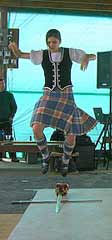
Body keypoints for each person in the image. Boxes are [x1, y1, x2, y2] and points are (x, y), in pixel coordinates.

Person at [8, 29, 97, 176]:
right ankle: (45, 156)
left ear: (60, 41)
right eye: (49, 42)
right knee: (36, 127)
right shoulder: (42, 54)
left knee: (71, 133)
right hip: (48, 95)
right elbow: (21, 55)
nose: (51, 45)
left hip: (66, 95)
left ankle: (66, 162)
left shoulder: (70, 52)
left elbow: (92, 56)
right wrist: (15, 50)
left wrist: (87, 58)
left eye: (54, 42)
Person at [0, 78, 18, 162]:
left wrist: (11, 116)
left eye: (3, 84)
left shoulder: (9, 95)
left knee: (9, 139)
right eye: (1, 84)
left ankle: (13, 156)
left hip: (6, 121)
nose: (2, 85)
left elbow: (14, 107)